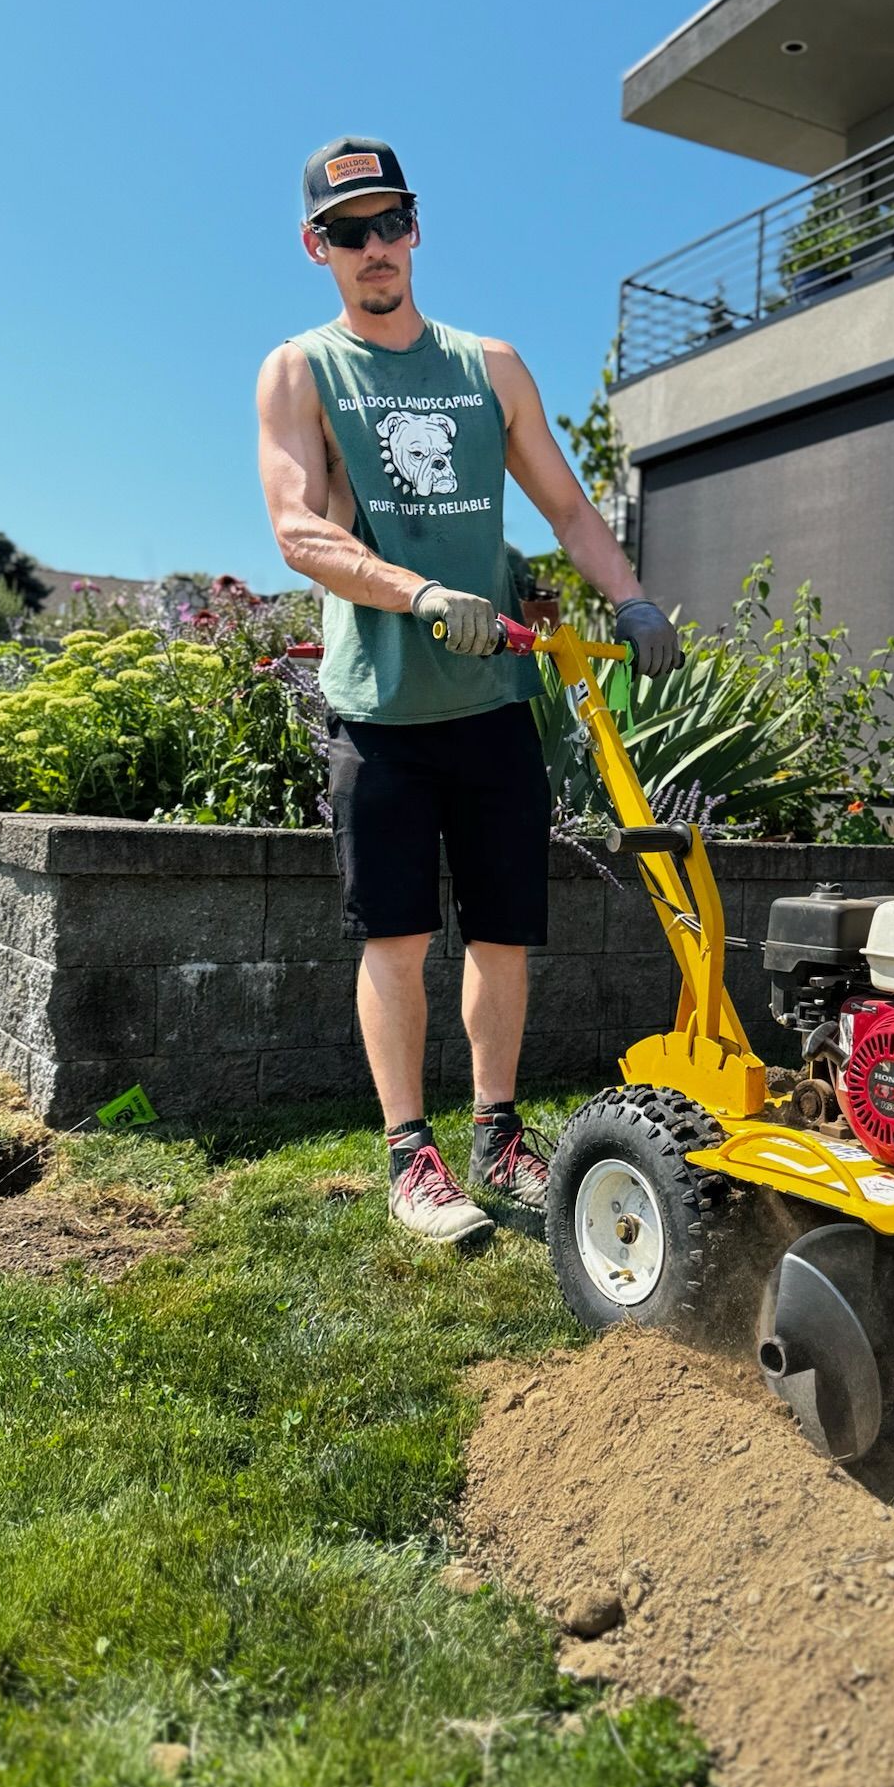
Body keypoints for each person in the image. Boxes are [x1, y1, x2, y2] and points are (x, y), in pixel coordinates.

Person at [256, 134, 680, 1246]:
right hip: (382, 713)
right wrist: (418, 590)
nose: (376, 246)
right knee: (395, 940)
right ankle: (412, 1158)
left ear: (417, 228)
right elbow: (298, 528)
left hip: (493, 708)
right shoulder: (302, 370)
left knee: (502, 937)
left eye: (391, 222)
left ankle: (498, 1134)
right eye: (350, 231)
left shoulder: (489, 365)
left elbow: (572, 511)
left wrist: (633, 602)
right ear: (318, 247)